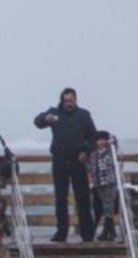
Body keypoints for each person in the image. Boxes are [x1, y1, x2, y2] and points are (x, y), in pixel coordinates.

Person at [34, 88, 97, 242]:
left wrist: (86, 152)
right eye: (66, 101)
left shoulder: (83, 115)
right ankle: (61, 232)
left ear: (76, 100)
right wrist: (45, 118)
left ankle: (87, 233)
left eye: (71, 100)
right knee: (60, 198)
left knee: (82, 198)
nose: (68, 103)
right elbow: (37, 122)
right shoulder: (54, 112)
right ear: (62, 101)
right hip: (60, 159)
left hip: (78, 160)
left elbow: (93, 137)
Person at [86, 130, 120, 241]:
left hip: (110, 182)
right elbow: (90, 167)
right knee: (104, 206)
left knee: (109, 205)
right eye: (99, 140)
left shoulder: (111, 151)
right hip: (99, 183)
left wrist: (111, 140)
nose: (101, 142)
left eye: (103, 140)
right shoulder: (94, 154)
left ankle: (107, 231)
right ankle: (111, 231)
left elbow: (114, 142)